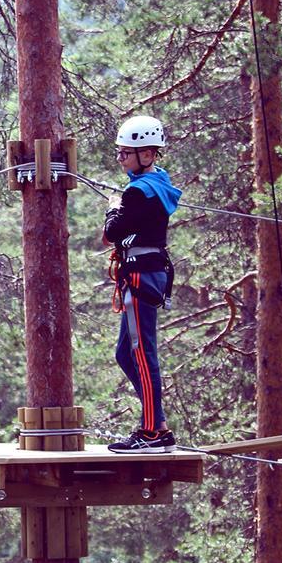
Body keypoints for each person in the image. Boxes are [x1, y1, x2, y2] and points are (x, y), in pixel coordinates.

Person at [102, 115, 181, 453]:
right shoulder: (158, 184)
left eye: (126, 153)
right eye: (119, 152)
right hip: (150, 272)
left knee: (141, 354)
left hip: (140, 276)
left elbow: (112, 233)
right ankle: (157, 421)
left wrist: (112, 208)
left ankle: (151, 431)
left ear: (147, 155)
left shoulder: (138, 191)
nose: (120, 158)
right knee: (125, 352)